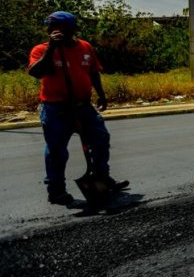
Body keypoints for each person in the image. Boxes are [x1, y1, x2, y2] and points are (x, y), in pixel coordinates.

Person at [27, 11, 129, 205]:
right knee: (56, 150)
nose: (52, 31)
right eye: (50, 27)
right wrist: (52, 49)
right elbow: (37, 73)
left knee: (100, 138)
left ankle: (102, 177)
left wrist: (101, 94)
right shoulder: (41, 49)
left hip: (83, 106)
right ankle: (56, 191)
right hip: (56, 108)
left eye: (57, 27)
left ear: (71, 29)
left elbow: (93, 72)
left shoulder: (84, 47)